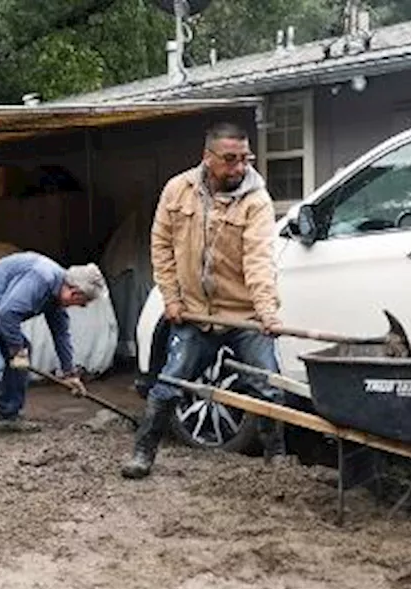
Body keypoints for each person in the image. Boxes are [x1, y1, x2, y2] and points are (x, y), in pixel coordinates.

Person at [121, 122, 291, 480]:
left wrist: (267, 312)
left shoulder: (256, 200)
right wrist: (171, 298)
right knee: (170, 384)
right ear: (207, 157)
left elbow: (259, 260)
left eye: (245, 159)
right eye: (230, 160)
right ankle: (143, 452)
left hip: (243, 315)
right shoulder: (177, 190)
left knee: (268, 386)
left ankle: (277, 459)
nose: (239, 168)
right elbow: (162, 247)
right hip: (196, 314)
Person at [0, 252, 106, 449]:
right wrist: (16, 350)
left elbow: (61, 334)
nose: (81, 306)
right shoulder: (41, 278)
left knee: (22, 352)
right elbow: (7, 313)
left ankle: (8, 416)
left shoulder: (55, 293)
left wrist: (70, 374)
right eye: (82, 302)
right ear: (74, 292)